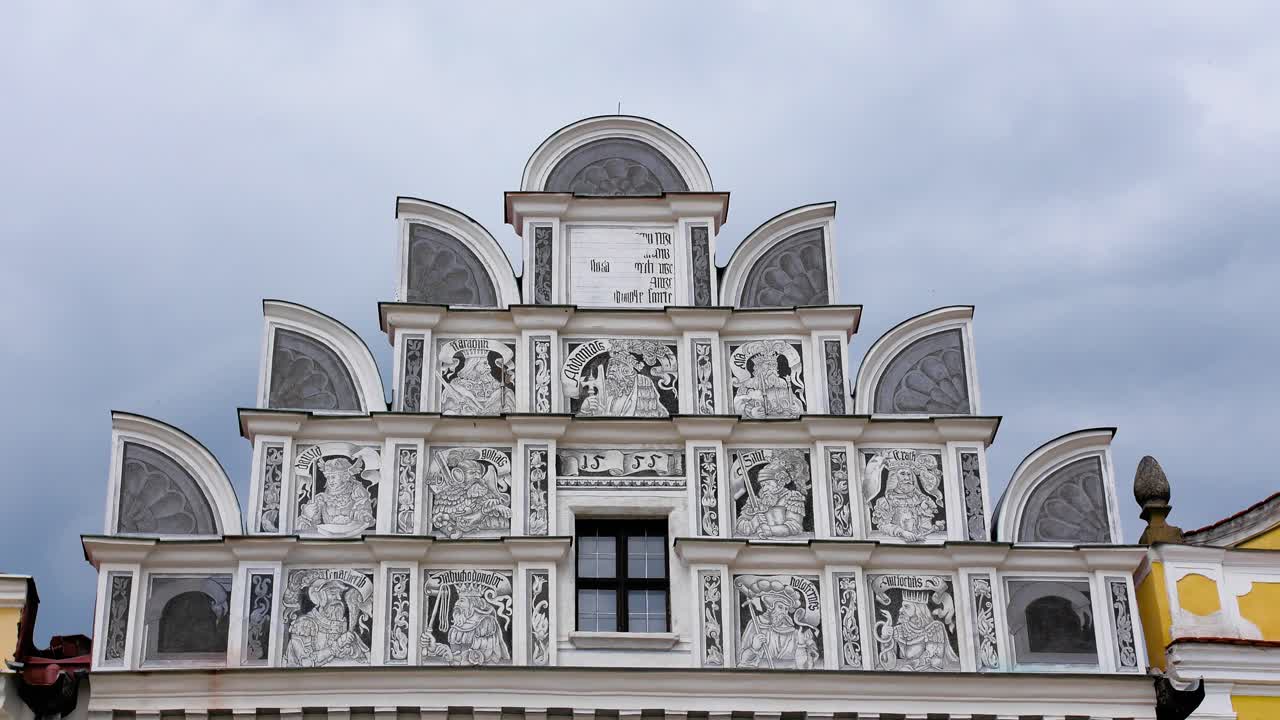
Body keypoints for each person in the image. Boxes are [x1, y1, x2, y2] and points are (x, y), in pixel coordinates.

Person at [285, 579, 368, 667]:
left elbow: (363, 659)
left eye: (340, 594)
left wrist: (350, 649)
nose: (339, 598)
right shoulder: (304, 624)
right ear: (319, 597)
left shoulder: (342, 624)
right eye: (333, 594)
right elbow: (306, 663)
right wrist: (338, 644)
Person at [296, 457, 375, 537]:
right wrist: (307, 516)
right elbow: (304, 530)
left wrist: (364, 517)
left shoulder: (357, 492)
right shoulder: (321, 498)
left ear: (345, 477)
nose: (330, 481)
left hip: (354, 536)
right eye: (328, 477)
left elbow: (364, 514)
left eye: (333, 477)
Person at [579, 348, 667, 417]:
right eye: (610, 366)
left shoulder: (642, 385)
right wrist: (585, 410)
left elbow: (661, 416)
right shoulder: (606, 390)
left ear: (627, 370)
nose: (611, 369)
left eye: (617, 365)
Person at [734, 459, 806, 538]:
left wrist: (770, 530)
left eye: (767, 484)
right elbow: (739, 526)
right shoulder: (756, 501)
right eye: (763, 485)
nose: (764, 489)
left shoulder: (792, 498)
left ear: (780, 482)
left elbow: (794, 527)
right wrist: (753, 523)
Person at [440, 351, 514, 415]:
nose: (489, 367)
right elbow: (448, 413)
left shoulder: (501, 390)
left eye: (487, 363)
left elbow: (509, 409)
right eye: (485, 363)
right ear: (473, 365)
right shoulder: (454, 389)